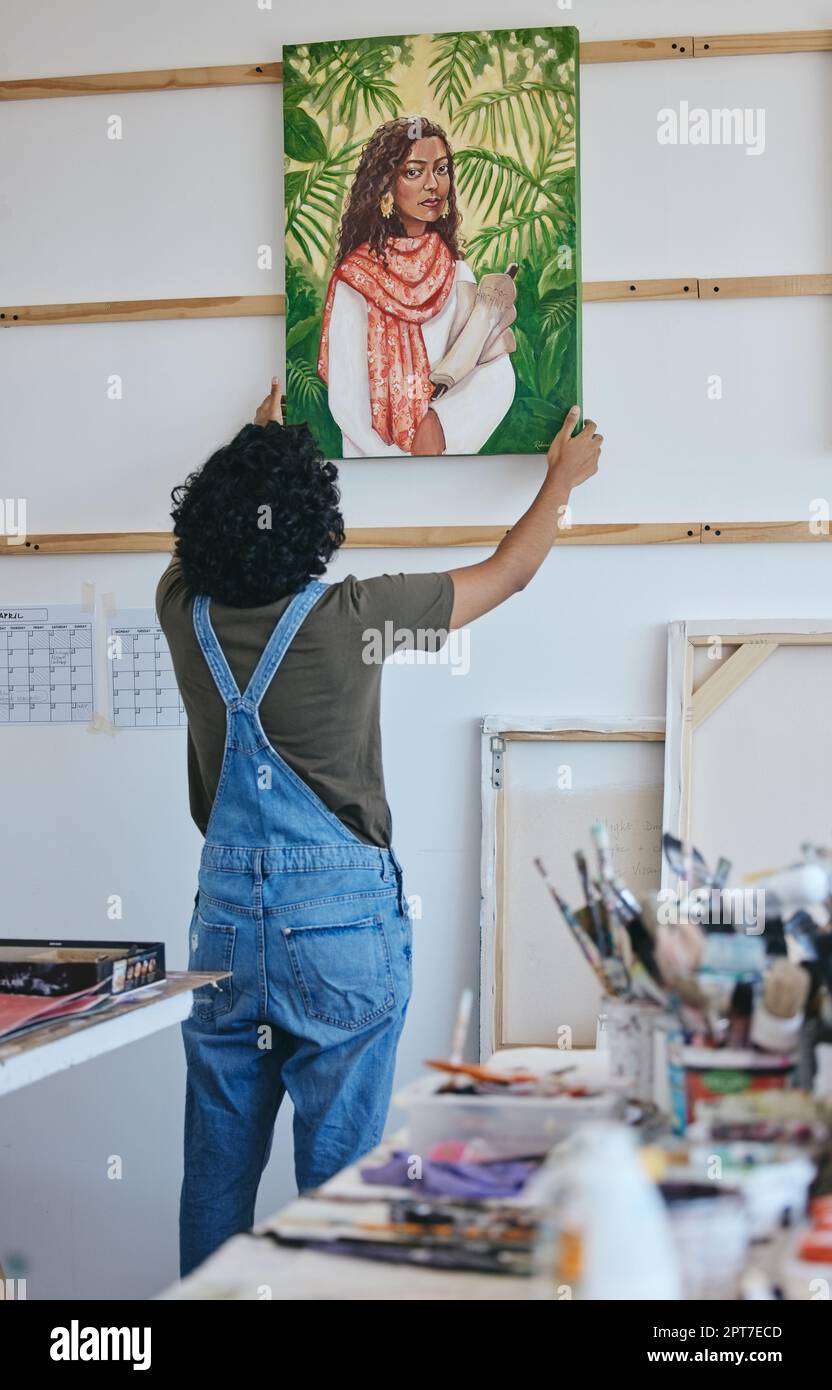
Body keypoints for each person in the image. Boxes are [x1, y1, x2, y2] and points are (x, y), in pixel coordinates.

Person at [157, 378, 602, 1275]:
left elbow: (204, 548)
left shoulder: (181, 609)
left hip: (224, 931)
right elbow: (508, 573)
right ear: (316, 524)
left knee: (215, 1169)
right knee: (343, 1177)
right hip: (339, 930)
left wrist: (256, 442)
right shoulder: (350, 619)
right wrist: (560, 481)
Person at [317, 116, 516, 458]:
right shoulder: (356, 279)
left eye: (441, 169)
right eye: (414, 172)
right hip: (371, 470)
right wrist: (403, 462)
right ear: (386, 187)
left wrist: (441, 424)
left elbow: (495, 374)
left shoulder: (457, 272)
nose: (433, 185)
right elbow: (347, 400)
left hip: (445, 462)